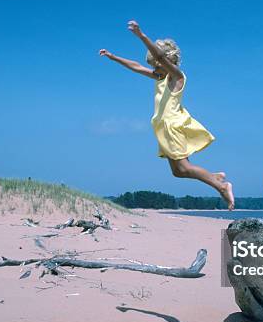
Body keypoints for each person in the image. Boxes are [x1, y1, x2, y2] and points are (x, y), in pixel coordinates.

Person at [99, 20, 235, 210]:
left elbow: (160, 57)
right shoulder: (160, 77)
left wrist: (141, 36)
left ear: (167, 62)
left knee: (185, 167)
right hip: (162, 128)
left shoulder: (177, 77)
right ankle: (216, 177)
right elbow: (136, 67)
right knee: (178, 172)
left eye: (156, 64)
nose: (154, 69)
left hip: (172, 126)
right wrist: (113, 57)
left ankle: (221, 186)